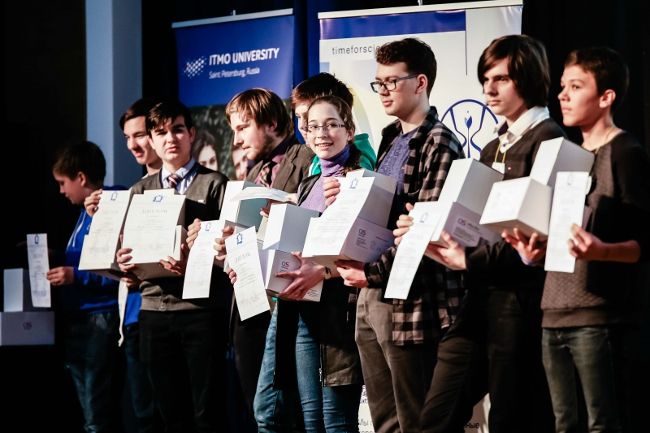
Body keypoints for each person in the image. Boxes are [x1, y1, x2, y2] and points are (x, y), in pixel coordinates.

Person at [410, 35, 563, 433]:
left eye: (501, 79)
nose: (489, 90)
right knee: (436, 417)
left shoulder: (549, 139)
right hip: (477, 298)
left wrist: (468, 258)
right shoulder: (493, 145)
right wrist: (429, 229)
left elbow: (533, 238)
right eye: (485, 79)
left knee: (513, 419)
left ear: (528, 79)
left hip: (519, 304)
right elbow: (475, 223)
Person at [508, 46, 650, 433]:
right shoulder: (565, 156)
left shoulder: (624, 152)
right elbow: (560, 239)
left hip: (599, 317)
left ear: (606, 97)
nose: (563, 95)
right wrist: (533, 253)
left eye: (576, 86)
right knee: (564, 424)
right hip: (553, 312)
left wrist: (602, 251)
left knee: (602, 424)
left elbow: (644, 242)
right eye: (562, 86)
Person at [334, 38, 465, 433]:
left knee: (416, 418)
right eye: (379, 82)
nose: (383, 90)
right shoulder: (390, 137)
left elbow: (422, 228)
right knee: (384, 419)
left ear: (420, 82)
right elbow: (383, 216)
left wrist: (370, 273)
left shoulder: (439, 141)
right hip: (369, 292)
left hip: (411, 299)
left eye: (392, 81)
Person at [252, 72, 377, 433]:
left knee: (337, 422)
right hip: (304, 312)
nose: (321, 133)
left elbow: (365, 247)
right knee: (312, 422)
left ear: (349, 130)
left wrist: (322, 269)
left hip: (340, 314)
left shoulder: (360, 175)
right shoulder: (309, 181)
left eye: (331, 124)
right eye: (312, 125)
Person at [116, 99, 230, 433]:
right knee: (169, 415)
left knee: (208, 414)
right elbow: (129, 258)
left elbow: (229, 252)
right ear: (151, 140)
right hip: (153, 313)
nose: (170, 138)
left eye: (178, 129)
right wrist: (126, 264)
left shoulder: (215, 184)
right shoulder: (139, 190)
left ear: (192, 134)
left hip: (201, 312)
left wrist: (196, 259)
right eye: (161, 132)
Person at [84, 98, 160, 433]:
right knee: (143, 413)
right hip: (132, 315)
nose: (132, 144)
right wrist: (99, 220)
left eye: (139, 134)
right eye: (127, 137)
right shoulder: (129, 193)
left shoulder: (185, 188)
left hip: (168, 314)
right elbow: (118, 256)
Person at [47, 140, 122, 433]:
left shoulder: (112, 203)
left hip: (100, 318)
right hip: (82, 318)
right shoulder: (84, 213)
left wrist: (75, 276)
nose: (61, 191)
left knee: (97, 410)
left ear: (80, 177)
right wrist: (57, 257)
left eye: (63, 183)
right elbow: (87, 258)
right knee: (90, 410)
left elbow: (115, 269)